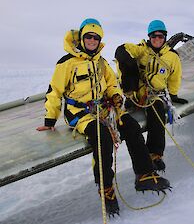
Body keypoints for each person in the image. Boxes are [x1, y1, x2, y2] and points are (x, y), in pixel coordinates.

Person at [36, 18, 171, 217]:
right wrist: (49, 120)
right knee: (102, 137)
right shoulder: (66, 63)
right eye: (88, 36)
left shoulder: (101, 62)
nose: (92, 40)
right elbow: (54, 91)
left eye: (96, 37)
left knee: (131, 127)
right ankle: (106, 189)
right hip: (80, 114)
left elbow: (111, 83)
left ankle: (143, 174)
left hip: (105, 108)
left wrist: (115, 95)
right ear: (82, 38)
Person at [115, 19, 188, 172]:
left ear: (165, 37)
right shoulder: (142, 50)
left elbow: (175, 76)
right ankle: (130, 99)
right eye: (153, 36)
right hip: (138, 91)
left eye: (160, 36)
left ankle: (155, 154)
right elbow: (128, 49)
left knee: (158, 112)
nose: (157, 39)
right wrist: (122, 51)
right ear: (149, 37)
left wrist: (173, 94)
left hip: (155, 93)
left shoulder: (172, 57)